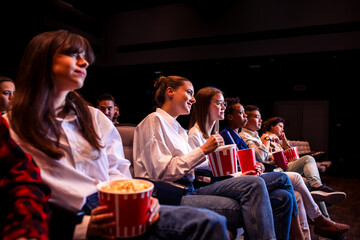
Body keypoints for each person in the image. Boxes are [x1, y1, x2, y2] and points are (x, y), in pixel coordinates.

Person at [5, 30, 230, 240]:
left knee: (213, 220)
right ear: (41, 61)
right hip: (68, 214)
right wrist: (80, 226)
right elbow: (20, 196)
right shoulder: (11, 125)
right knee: (210, 220)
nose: (84, 62)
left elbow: (116, 169)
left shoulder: (93, 117)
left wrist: (135, 200)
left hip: (111, 202)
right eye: (74, 54)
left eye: (85, 57)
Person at [133, 76, 298, 240]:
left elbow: (198, 166)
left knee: (281, 197)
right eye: (189, 93)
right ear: (170, 92)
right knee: (259, 185)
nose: (193, 99)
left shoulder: (179, 129)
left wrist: (238, 172)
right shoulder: (154, 121)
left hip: (190, 189)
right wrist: (203, 150)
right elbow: (161, 174)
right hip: (172, 195)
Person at [220, 97, 350, 238]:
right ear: (230, 117)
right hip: (264, 174)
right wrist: (267, 144)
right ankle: (322, 220)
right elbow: (258, 158)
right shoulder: (241, 135)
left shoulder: (246, 136)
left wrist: (281, 142)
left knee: (300, 192)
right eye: (244, 114)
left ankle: (315, 228)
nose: (258, 119)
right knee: (305, 171)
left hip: (272, 169)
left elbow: (270, 157)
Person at [187, 87, 303, 239]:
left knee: (283, 197)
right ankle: (303, 233)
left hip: (226, 180)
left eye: (223, 103)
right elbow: (202, 173)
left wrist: (245, 171)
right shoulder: (195, 135)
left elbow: (230, 167)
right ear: (204, 106)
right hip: (209, 186)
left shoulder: (215, 134)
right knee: (283, 179)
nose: (223, 107)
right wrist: (240, 175)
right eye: (219, 103)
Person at [0, 114, 51, 240]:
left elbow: (22, 176)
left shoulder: (93, 116)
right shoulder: (15, 121)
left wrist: (27, 230)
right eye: (7, 92)